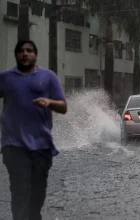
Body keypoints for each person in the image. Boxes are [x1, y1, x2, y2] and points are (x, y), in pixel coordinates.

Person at [0, 40, 67, 220]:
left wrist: (49, 102)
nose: (25, 53)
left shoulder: (48, 77)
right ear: (16, 56)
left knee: (36, 196)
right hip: (13, 145)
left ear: (35, 55)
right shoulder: (5, 78)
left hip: (41, 146)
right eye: (21, 51)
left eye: (29, 51)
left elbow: (63, 107)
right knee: (20, 191)